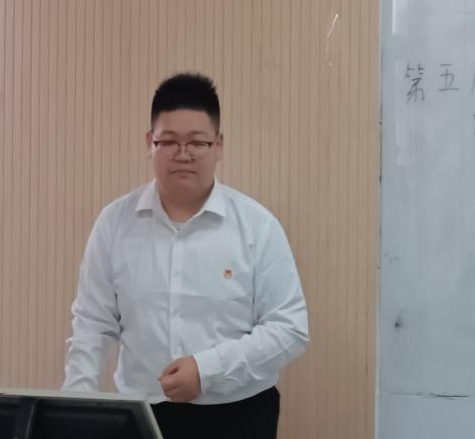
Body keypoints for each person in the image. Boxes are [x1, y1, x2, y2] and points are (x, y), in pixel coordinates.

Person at [62, 72, 309, 439]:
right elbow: (91, 324)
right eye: (169, 141)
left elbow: (289, 328)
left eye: (197, 142)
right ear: (149, 142)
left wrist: (207, 370)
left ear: (219, 145)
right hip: (143, 414)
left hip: (238, 415)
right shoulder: (115, 223)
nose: (183, 154)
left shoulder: (257, 226)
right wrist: (73, 410)